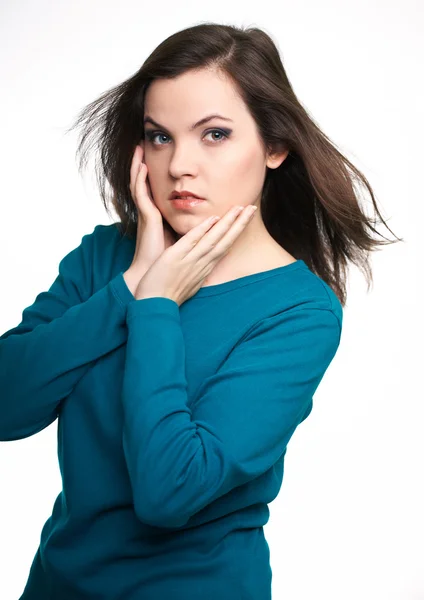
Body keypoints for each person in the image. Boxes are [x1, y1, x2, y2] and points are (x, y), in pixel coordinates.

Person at [0, 22, 402, 600]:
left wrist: (157, 305)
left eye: (214, 135)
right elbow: (7, 406)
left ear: (274, 145)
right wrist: (133, 283)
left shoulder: (298, 312)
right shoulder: (104, 258)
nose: (180, 164)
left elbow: (170, 492)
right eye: (159, 137)